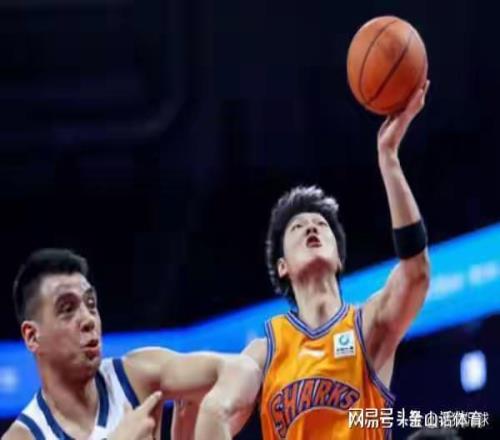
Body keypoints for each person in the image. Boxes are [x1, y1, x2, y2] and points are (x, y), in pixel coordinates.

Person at [195, 81, 431, 439]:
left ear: (338, 258)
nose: (311, 228)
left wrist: (389, 158)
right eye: (298, 227)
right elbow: (216, 419)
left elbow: (416, 274)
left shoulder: (368, 325)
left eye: (321, 225)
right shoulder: (264, 352)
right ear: (283, 267)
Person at [2, 248, 261, 440]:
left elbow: (242, 368)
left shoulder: (135, 375)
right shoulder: (23, 436)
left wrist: (215, 409)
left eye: (91, 304)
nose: (88, 319)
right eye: (68, 309)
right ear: (32, 337)